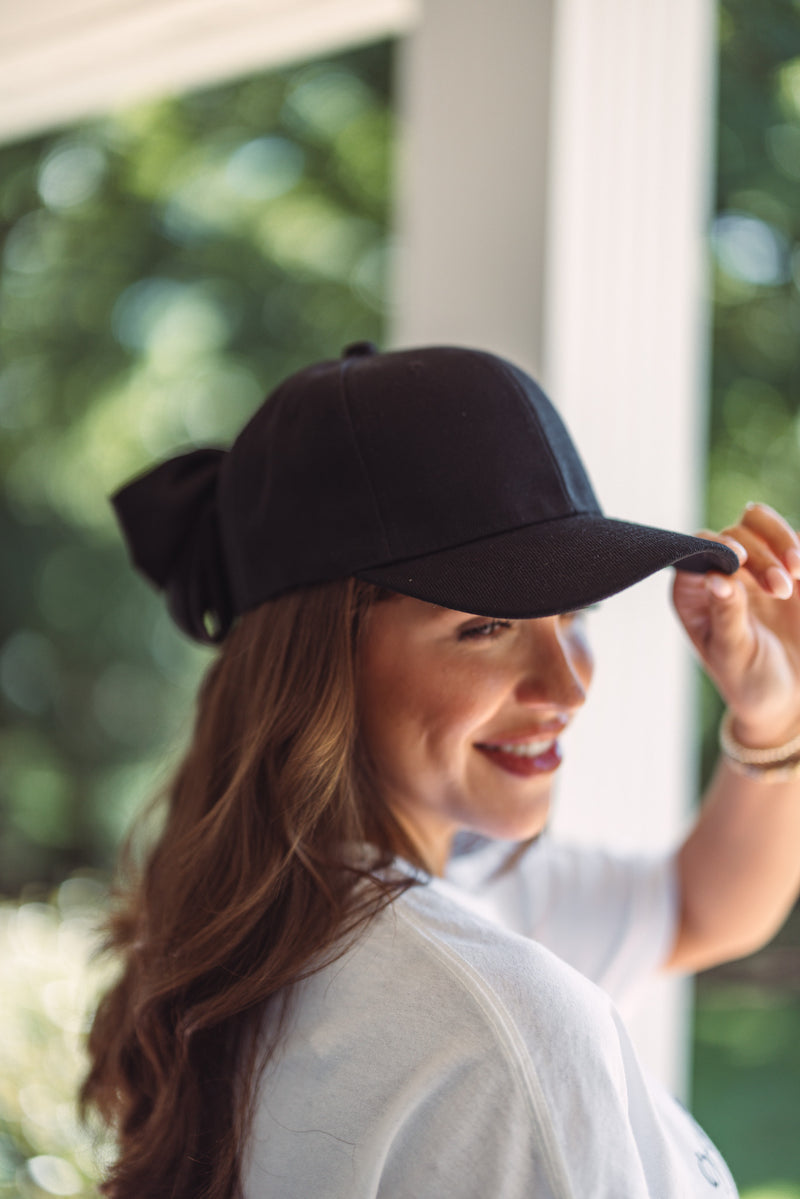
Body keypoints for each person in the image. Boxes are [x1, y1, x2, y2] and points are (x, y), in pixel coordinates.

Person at [82, 342, 800, 1199]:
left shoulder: (285, 924)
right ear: (321, 662)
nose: (567, 686)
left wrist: (775, 715)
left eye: (576, 614)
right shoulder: (499, 1026)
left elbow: (702, 909)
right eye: (487, 626)